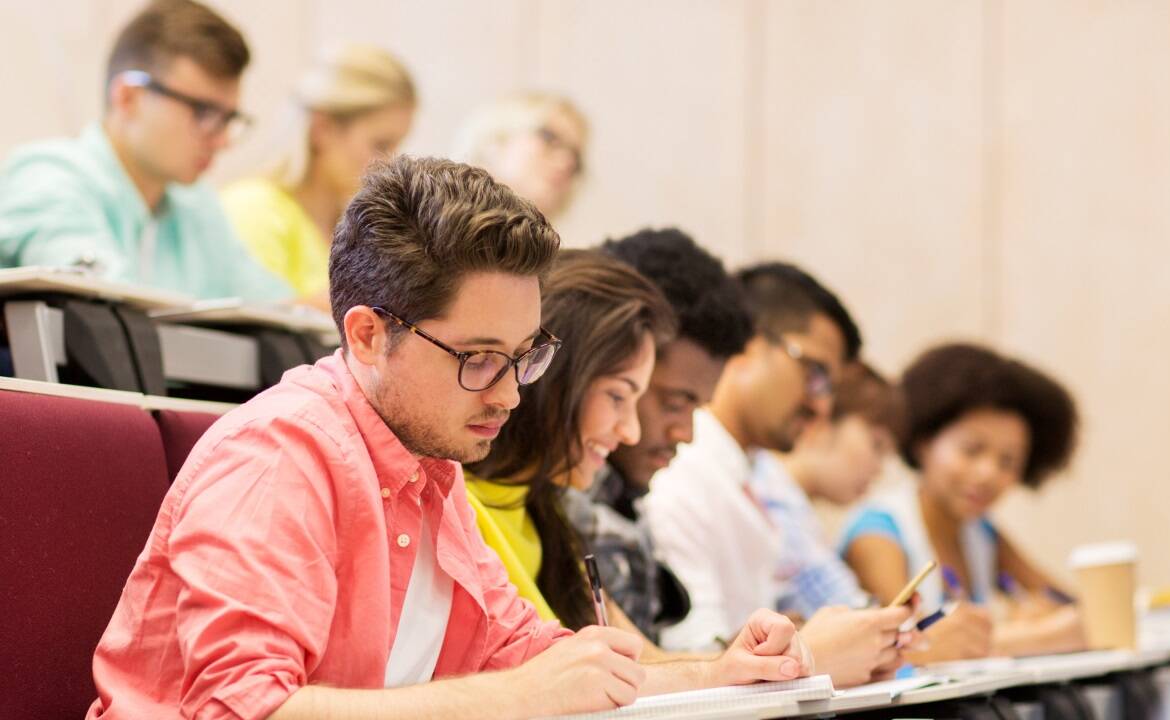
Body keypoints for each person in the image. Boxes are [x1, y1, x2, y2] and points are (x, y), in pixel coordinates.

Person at [89, 155, 712, 719]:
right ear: (367, 336)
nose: (510, 393)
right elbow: (246, 711)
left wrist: (725, 674)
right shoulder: (276, 455)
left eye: (526, 356)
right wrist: (523, 695)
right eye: (479, 357)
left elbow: (527, 652)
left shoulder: (431, 461)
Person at [464, 248, 813, 693]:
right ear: (555, 379)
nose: (628, 431)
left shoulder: (547, 513)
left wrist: (749, 662)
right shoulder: (460, 504)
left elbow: (642, 662)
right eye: (616, 397)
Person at [642, 262, 914, 687]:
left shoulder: (746, 473)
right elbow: (688, 664)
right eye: (815, 373)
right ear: (748, 344)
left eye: (830, 388)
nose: (821, 406)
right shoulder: (681, 470)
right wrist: (813, 652)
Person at [0, 0, 289, 302]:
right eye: (204, 113)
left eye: (228, 119)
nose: (223, 141)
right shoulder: (48, 177)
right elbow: (101, 310)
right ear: (128, 98)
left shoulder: (197, 206)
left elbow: (279, 311)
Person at [563, 228, 752, 645]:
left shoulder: (622, 497)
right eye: (673, 402)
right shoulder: (557, 505)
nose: (684, 433)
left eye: (696, 408)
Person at [840, 342, 1086, 662]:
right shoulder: (876, 533)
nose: (988, 473)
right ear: (924, 441)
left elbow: (1067, 603)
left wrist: (1039, 614)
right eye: (971, 450)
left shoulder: (982, 534)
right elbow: (913, 647)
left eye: (1008, 462)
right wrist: (1040, 634)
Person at [223, 44, 417, 306]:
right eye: (380, 145)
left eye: (397, 147)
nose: (389, 164)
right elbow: (253, 324)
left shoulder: (360, 227)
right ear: (321, 129)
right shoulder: (253, 208)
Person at [751, 361, 903, 619]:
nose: (878, 469)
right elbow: (852, 621)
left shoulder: (791, 503)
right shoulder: (772, 499)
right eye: (876, 445)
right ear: (823, 418)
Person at [453, 92, 586, 220]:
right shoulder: (437, 221)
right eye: (548, 137)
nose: (566, 162)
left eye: (576, 160)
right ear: (496, 139)